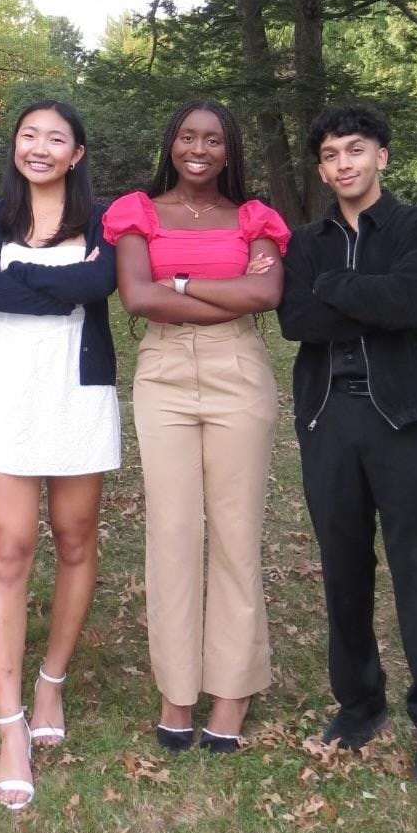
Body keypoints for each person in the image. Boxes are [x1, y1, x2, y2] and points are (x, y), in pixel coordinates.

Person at [276, 103, 417, 782]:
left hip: (406, 422)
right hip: (330, 419)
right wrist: (358, 293)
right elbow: (296, 319)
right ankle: (359, 702)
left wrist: (339, 289)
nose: (342, 165)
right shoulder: (308, 242)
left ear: (381, 156)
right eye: (330, 155)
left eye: (354, 150)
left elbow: (410, 303)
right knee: (343, 570)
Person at [105, 99, 289, 755]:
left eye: (213, 139)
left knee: (237, 533)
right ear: (171, 142)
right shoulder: (137, 212)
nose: (200, 148)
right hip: (163, 373)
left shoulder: (254, 217)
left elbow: (265, 296)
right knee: (173, 533)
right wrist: (223, 283)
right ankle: (177, 691)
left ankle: (233, 691)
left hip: (238, 367)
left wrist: (177, 276)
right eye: (188, 136)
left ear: (229, 150)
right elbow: (137, 296)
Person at [0, 100, 119, 810]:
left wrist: (29, 286)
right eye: (30, 135)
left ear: (77, 152)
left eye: (56, 138)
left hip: (79, 393)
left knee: (76, 538)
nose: (41, 147)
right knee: (10, 549)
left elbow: (100, 282)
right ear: (14, 145)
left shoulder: (106, 220)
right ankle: (10, 723)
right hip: (4, 393)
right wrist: (59, 288)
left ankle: (51, 680)